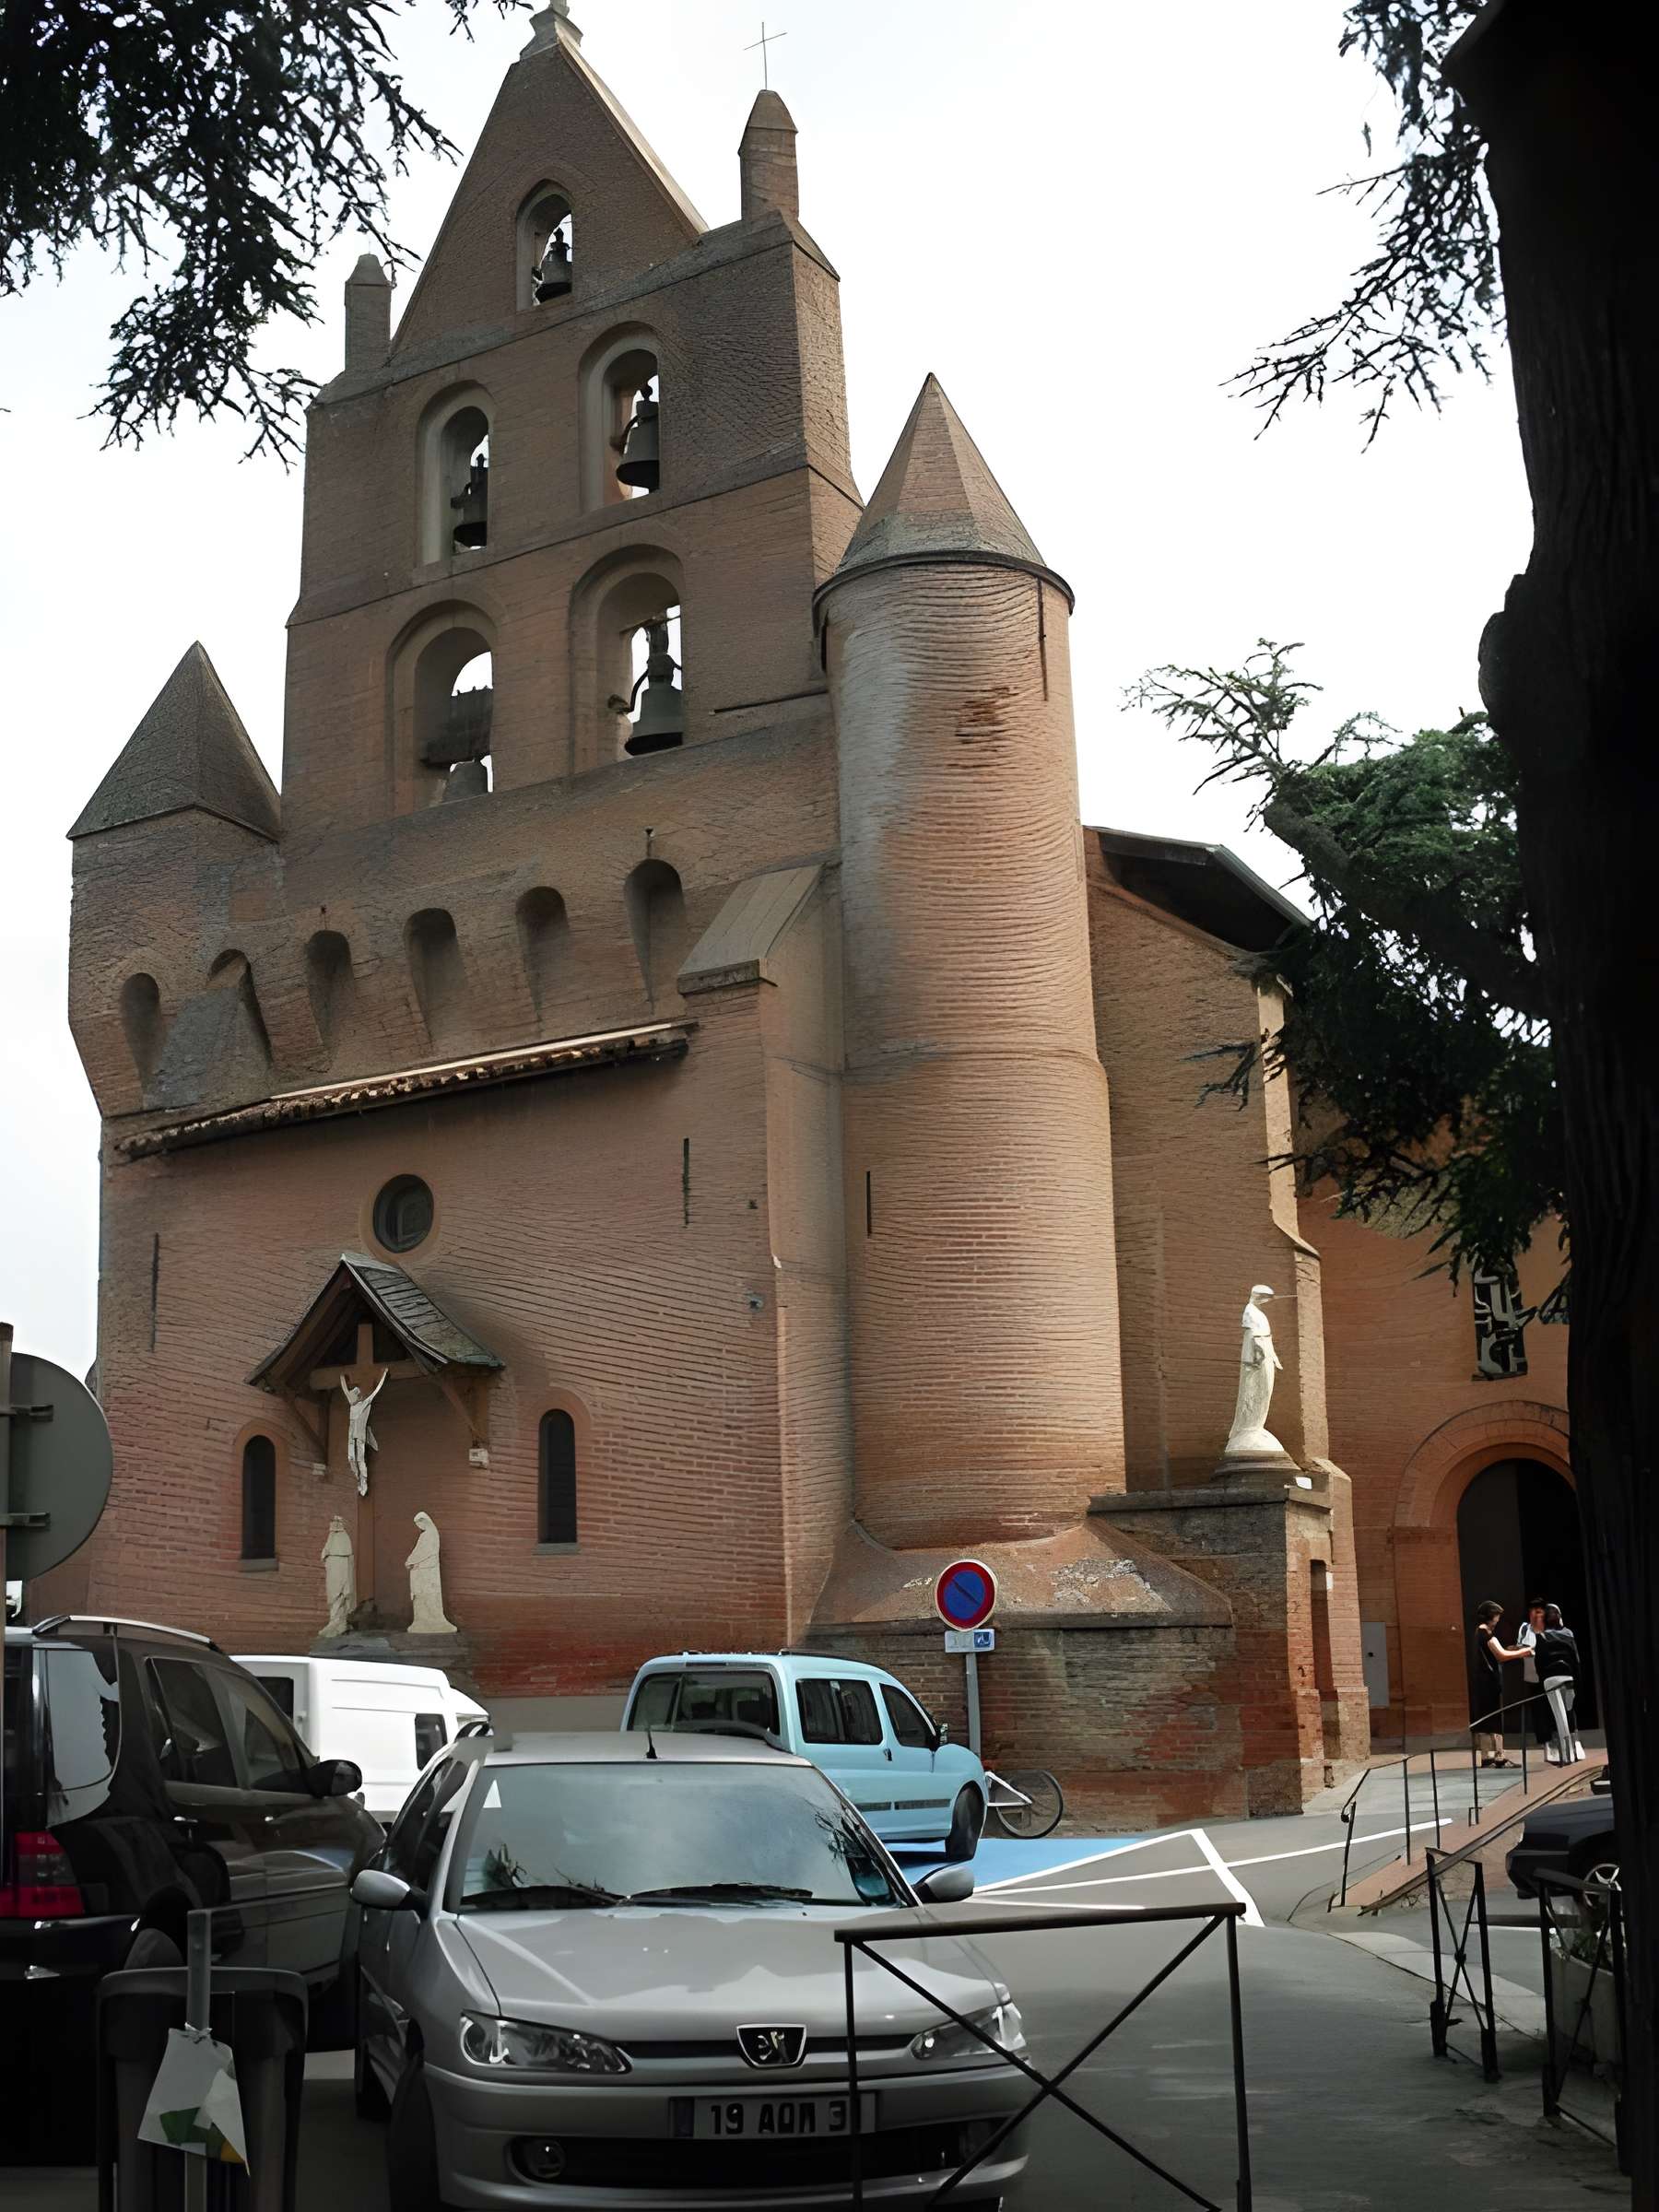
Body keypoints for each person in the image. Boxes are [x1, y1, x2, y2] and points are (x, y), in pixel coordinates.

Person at [1471, 1601, 1527, 1767]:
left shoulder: (1478, 1633)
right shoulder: (1487, 1634)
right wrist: (1524, 1652)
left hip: (1482, 1683)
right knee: (1495, 1717)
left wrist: (1512, 1649)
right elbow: (1501, 1655)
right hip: (1490, 1682)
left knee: (1485, 1718)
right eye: (1497, 1617)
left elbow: (1495, 1652)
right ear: (1490, 1616)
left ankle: (1485, 1756)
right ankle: (1499, 1756)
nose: (1498, 1620)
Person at [1535, 1603, 1586, 1764]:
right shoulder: (1568, 1633)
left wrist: (1542, 1679)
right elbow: (1576, 1659)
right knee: (1570, 1712)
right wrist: (1577, 1680)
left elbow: (1539, 1662)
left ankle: (1566, 1754)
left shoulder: (1541, 1636)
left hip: (1551, 1679)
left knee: (1558, 1714)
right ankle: (1575, 1747)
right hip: (1568, 1677)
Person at [1517, 1597, 1552, 1747]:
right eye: (1532, 1611)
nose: (1535, 1615)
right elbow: (1520, 1647)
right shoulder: (1524, 1628)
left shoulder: (1551, 1627)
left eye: (1538, 1611)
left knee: (1553, 1707)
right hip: (1532, 1675)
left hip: (1551, 1674)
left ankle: (1560, 1738)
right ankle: (1544, 1741)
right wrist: (1525, 1650)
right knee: (1538, 1709)